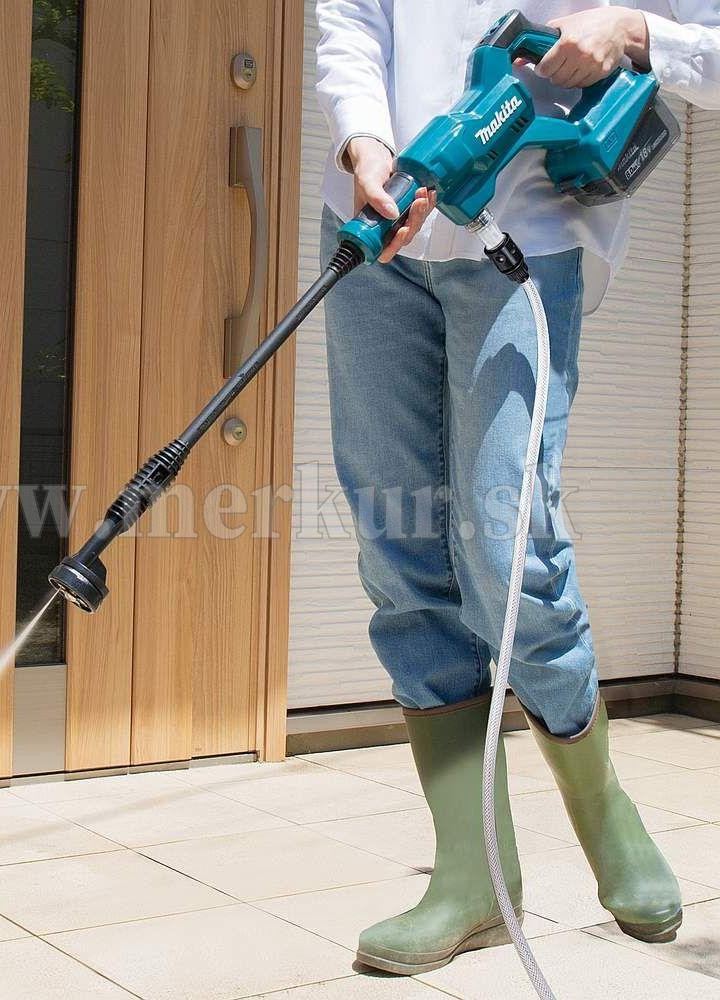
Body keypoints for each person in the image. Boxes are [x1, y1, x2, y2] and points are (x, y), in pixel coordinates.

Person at [315, 1, 720, 976]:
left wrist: (633, 32)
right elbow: (349, 20)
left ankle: (601, 806)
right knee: (400, 550)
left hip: (527, 235)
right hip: (382, 226)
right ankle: (471, 878)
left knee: (504, 547)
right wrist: (364, 142)